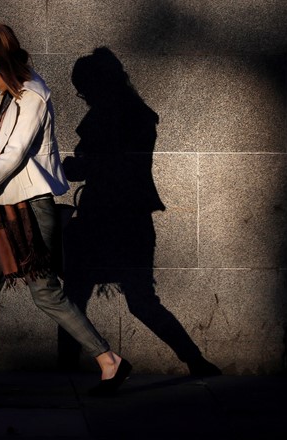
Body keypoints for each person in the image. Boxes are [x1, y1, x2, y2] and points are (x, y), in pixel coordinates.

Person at [0, 24, 129, 396]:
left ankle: (109, 361)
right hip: (9, 206)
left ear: (4, 65)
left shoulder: (33, 94)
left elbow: (17, 156)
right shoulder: (10, 98)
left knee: (45, 294)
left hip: (31, 209)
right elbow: (12, 155)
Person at [60, 47, 221, 377]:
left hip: (103, 218)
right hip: (132, 218)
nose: (83, 97)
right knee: (140, 299)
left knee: (74, 296)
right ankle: (195, 360)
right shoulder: (137, 115)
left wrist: (72, 167)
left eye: (84, 89)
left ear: (97, 85)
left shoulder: (107, 117)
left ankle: (66, 370)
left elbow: (101, 165)